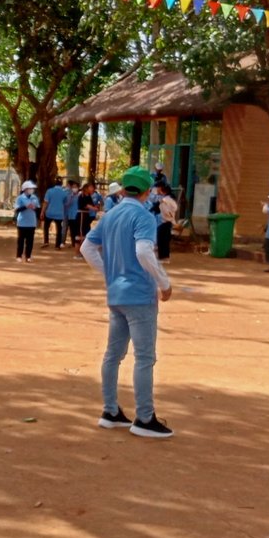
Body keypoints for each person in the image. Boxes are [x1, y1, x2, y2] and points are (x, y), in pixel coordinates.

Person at [84, 166, 174, 437]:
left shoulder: (110, 215)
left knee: (113, 354)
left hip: (116, 294)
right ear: (147, 191)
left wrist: (110, 273)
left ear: (123, 190)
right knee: (144, 357)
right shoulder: (143, 215)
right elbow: (144, 251)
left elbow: (87, 248)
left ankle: (110, 411)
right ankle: (144, 418)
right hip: (140, 295)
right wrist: (164, 283)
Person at [14, 180, 40, 262]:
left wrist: (35, 208)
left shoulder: (34, 198)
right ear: (25, 189)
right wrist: (26, 207)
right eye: (30, 188)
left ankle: (28, 256)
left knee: (30, 241)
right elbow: (17, 209)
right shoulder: (20, 198)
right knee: (21, 240)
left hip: (32, 222)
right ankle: (19, 256)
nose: (32, 190)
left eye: (32, 188)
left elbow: (38, 208)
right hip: (22, 222)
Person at [153, 182, 179, 260]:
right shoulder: (167, 199)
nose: (156, 189)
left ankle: (163, 257)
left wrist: (169, 217)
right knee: (164, 239)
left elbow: (166, 211)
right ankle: (164, 256)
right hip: (165, 221)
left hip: (164, 221)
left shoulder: (165, 200)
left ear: (161, 189)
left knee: (162, 239)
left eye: (157, 188)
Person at [42, 177, 69, 249]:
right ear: (61, 184)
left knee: (46, 227)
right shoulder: (64, 193)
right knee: (59, 229)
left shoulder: (49, 191)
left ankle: (46, 241)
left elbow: (46, 202)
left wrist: (42, 212)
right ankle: (57, 245)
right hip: (59, 213)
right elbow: (65, 204)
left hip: (49, 212)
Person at [63, 179, 82, 247]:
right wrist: (71, 197)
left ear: (78, 188)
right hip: (70, 215)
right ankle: (73, 242)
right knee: (71, 230)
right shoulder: (69, 195)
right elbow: (66, 204)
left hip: (77, 215)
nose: (74, 188)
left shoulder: (80, 195)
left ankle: (77, 242)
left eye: (75, 187)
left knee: (77, 230)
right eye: (73, 187)